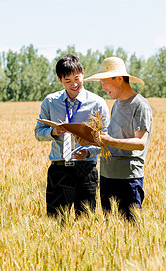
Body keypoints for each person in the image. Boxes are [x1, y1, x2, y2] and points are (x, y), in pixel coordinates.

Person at [35, 54, 110, 217]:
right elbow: (38, 132)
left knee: (84, 221)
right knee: (54, 222)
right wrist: (53, 132)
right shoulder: (50, 102)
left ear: (83, 73)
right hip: (59, 169)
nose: (74, 84)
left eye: (77, 78)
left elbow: (107, 138)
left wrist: (88, 152)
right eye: (68, 81)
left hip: (86, 169)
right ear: (59, 79)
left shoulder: (97, 103)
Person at [83, 56, 152, 222]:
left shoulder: (139, 105)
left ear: (119, 79)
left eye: (104, 82)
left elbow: (140, 143)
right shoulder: (117, 105)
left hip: (128, 179)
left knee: (130, 230)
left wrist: (109, 141)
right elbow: (111, 141)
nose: (102, 87)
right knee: (111, 232)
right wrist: (88, 145)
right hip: (107, 177)